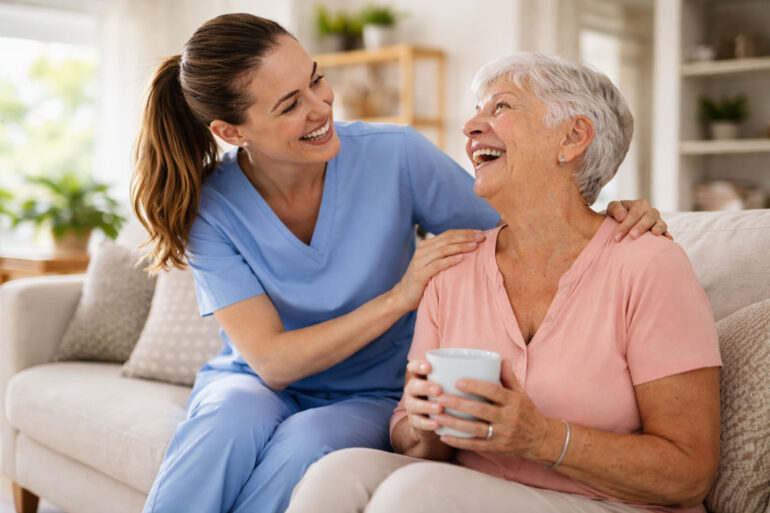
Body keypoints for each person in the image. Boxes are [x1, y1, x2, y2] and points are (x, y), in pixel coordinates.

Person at [132, 14, 669, 513]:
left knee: (308, 444)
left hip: (371, 391)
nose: (321, 107)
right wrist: (400, 296)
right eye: (289, 104)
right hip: (256, 380)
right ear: (232, 131)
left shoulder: (395, 156)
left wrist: (613, 214)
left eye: (316, 80)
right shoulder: (208, 205)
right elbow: (272, 363)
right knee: (225, 421)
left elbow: (523, 220)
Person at [286, 53, 722, 513]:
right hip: (475, 490)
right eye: (477, 109)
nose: (471, 126)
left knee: (414, 494)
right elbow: (413, 442)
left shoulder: (648, 264)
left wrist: (541, 438)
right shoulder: (453, 267)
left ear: (573, 138)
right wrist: (422, 422)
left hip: (613, 503)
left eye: (500, 108)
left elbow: (689, 473)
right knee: (336, 472)